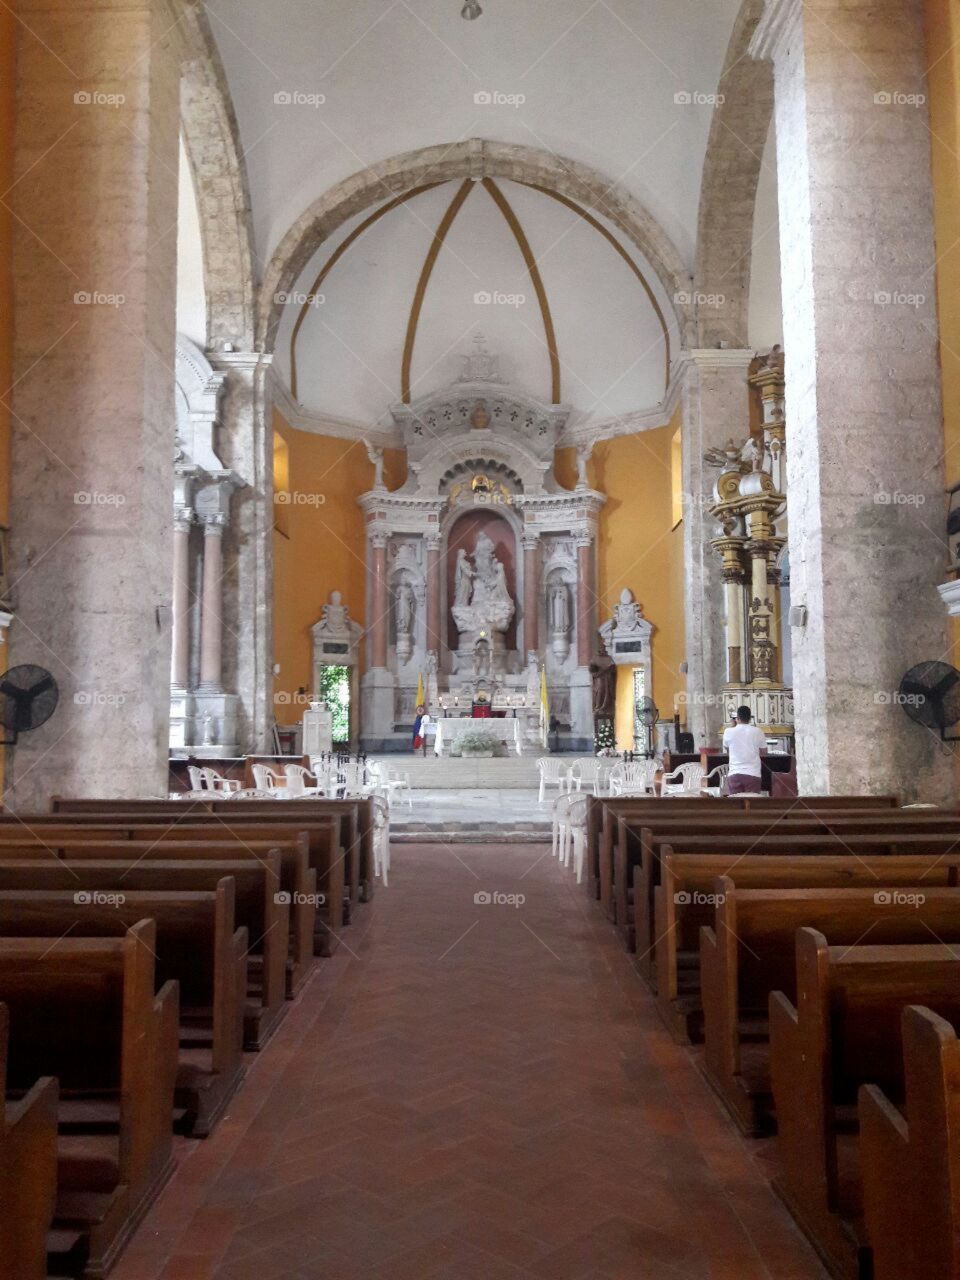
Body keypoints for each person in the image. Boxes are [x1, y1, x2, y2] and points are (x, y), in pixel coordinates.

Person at [722, 706, 767, 795]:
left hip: (735, 773)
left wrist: (733, 727)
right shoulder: (758, 731)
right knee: (752, 805)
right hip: (753, 774)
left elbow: (727, 748)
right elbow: (764, 752)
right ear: (750, 718)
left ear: (737, 718)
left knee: (736, 806)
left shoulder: (728, 731)